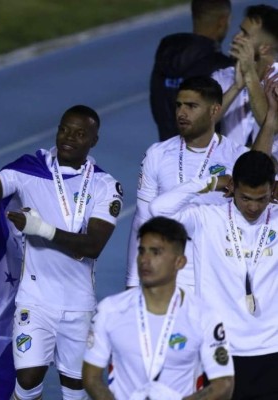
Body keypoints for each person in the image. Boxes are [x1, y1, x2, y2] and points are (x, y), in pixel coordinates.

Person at [0, 105, 123, 400]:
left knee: (75, 389)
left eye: (80, 133)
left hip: (78, 305)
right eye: (64, 129)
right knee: (28, 380)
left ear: (93, 140)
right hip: (35, 300)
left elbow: (93, 245)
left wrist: (41, 229)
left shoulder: (104, 186)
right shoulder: (28, 171)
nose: (68, 137)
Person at [149, 150, 278, 399]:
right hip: (221, 349)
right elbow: (158, 209)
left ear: (272, 189)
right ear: (232, 187)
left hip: (272, 347)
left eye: (261, 199)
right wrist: (210, 182)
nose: (253, 207)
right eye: (245, 198)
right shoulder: (207, 218)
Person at [126, 75, 273, 291]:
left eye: (191, 106)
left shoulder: (237, 157)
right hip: (167, 276)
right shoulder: (157, 154)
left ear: (214, 110)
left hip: (218, 276)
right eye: (179, 105)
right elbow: (142, 219)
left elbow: (258, 194)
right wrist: (132, 281)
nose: (181, 113)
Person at [83, 216, 235, 400]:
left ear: (180, 262)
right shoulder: (109, 311)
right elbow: (91, 377)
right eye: (141, 251)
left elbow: (223, 384)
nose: (144, 260)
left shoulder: (204, 317)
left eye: (156, 252)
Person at [150, 0, 233, 141]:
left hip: (166, 154)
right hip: (206, 158)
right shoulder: (223, 68)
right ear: (223, 21)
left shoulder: (164, 57)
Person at [212, 4, 278, 151]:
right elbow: (203, 121)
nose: (236, 37)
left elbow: (272, 126)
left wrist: (249, 74)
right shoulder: (223, 77)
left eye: (245, 34)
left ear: (264, 48)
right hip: (229, 171)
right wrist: (236, 87)